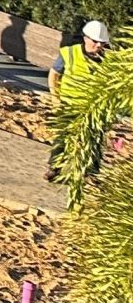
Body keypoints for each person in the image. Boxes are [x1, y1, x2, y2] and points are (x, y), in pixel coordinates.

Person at [50, 19, 113, 182]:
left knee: (94, 139)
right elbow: (54, 74)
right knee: (63, 137)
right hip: (69, 104)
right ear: (86, 38)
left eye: (102, 43)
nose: (98, 45)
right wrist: (55, 97)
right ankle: (55, 168)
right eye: (95, 41)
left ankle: (91, 173)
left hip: (93, 108)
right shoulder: (70, 52)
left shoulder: (107, 61)